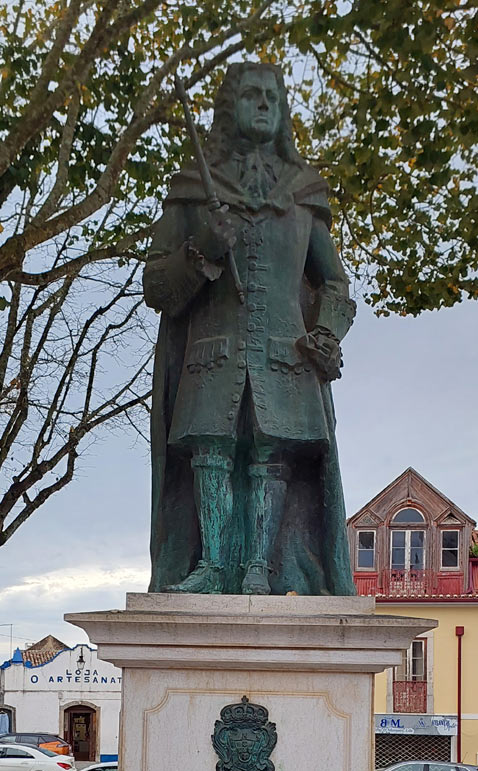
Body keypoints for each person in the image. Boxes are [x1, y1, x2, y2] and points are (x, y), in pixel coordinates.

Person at [144, 61, 356, 596]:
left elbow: (333, 282)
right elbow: (156, 287)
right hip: (211, 352)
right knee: (210, 446)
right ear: (228, 110)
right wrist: (203, 252)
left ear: (282, 112)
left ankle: (261, 566)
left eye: (271, 96)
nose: (262, 103)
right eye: (251, 95)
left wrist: (327, 334)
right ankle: (214, 564)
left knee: (271, 450)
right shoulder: (193, 189)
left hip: (284, 353)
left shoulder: (305, 192)